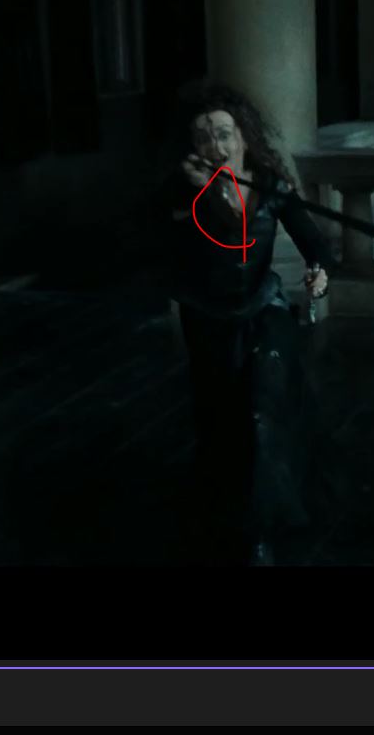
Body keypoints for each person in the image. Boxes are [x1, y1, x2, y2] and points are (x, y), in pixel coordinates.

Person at [156, 82, 335, 565]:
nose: (215, 145)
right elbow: (169, 250)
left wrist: (319, 273)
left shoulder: (270, 185)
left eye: (223, 133)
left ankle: (262, 530)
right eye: (203, 136)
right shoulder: (180, 190)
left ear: (242, 136)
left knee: (262, 408)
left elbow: (316, 244)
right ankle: (220, 513)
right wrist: (201, 198)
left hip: (262, 307)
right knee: (221, 418)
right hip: (208, 316)